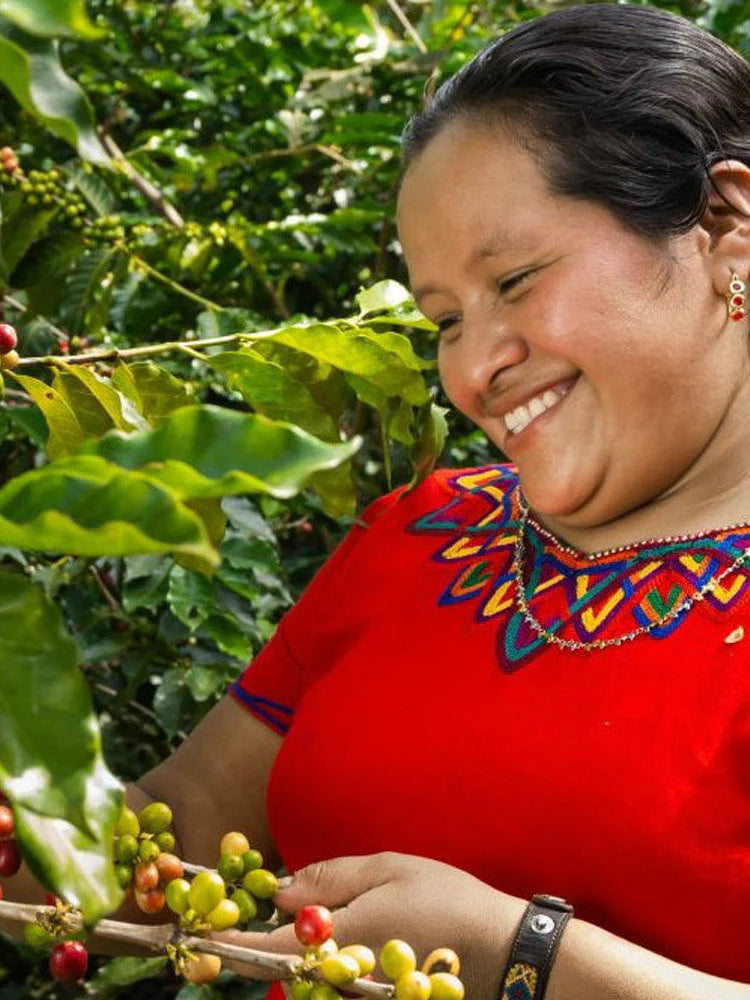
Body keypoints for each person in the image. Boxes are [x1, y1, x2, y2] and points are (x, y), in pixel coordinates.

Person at [5, 3, 750, 997]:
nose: (476, 367)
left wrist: (522, 951)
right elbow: (163, 840)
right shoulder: (420, 534)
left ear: (724, 225)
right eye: (445, 319)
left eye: (516, 279)